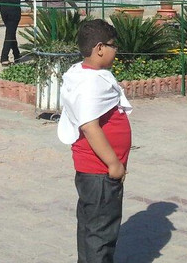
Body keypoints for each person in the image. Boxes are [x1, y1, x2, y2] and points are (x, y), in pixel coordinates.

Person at [58, 19, 132, 263]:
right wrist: (114, 164)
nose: (115, 51)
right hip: (99, 172)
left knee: (91, 230)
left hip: (93, 173)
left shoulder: (85, 74)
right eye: (113, 46)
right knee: (101, 236)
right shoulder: (89, 83)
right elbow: (90, 126)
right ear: (100, 48)